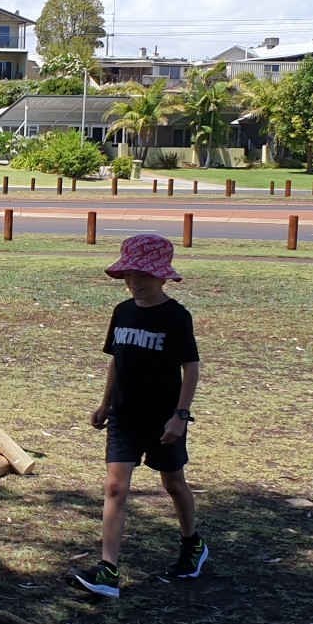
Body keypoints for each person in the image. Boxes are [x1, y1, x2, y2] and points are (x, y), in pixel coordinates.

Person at [66, 234, 206, 598]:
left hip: (163, 421)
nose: (134, 282)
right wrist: (103, 403)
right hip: (124, 417)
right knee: (115, 488)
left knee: (173, 484)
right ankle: (108, 571)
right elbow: (117, 361)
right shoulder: (122, 312)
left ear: (163, 277)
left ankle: (192, 544)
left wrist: (180, 416)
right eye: (129, 274)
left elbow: (191, 370)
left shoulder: (176, 317)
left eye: (143, 275)